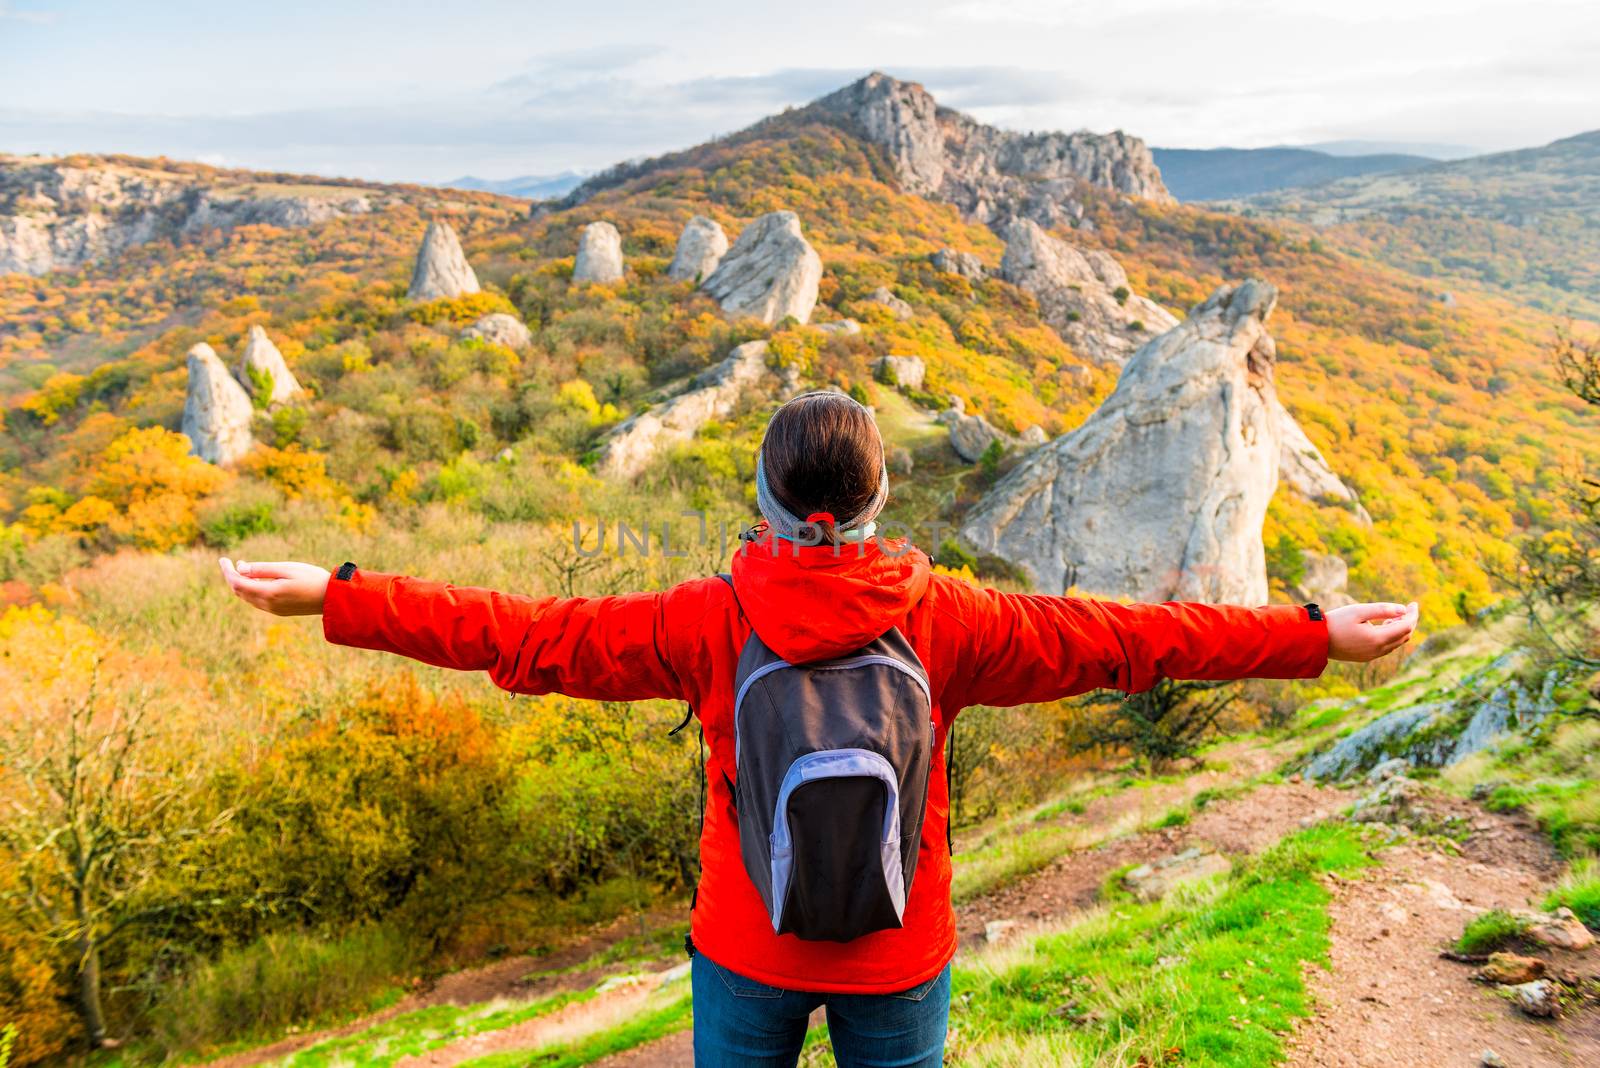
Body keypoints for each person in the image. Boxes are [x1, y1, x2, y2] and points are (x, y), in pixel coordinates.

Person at [220, 390, 1418, 1067]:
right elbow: (1135, 639)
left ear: (768, 503)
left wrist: (340, 594)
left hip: (746, 947)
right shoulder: (950, 619)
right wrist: (1317, 637)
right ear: (876, 500)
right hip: (902, 949)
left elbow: (524, 635)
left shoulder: (706, 623)